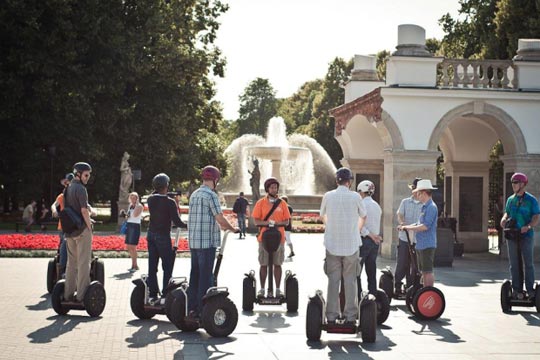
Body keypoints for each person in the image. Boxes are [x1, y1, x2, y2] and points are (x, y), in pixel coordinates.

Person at [187, 165, 238, 319]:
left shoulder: (194, 194)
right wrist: (232, 228)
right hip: (207, 243)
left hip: (194, 243)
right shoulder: (211, 195)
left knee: (194, 276)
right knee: (206, 277)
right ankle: (204, 311)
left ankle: (192, 308)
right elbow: (220, 218)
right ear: (215, 179)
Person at [320, 168, 366, 324]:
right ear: (350, 181)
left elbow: (322, 215)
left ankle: (331, 316)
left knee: (333, 280)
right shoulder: (355, 197)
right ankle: (350, 316)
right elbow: (363, 216)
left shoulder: (328, 196)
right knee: (350, 281)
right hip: (351, 245)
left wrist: (331, 227)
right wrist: (356, 230)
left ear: (336, 180)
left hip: (332, 243)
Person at [146, 173, 187, 305]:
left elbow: (157, 196)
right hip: (163, 236)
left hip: (151, 235)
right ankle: (165, 295)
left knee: (152, 266)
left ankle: (152, 295)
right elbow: (177, 221)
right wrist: (188, 225)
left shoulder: (151, 199)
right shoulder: (170, 202)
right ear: (166, 186)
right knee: (167, 266)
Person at [500, 172, 540, 300]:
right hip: (512, 234)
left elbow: (536, 217)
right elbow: (507, 213)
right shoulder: (511, 200)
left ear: (523, 184)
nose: (513, 185)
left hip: (526, 235)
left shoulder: (531, 200)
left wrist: (528, 226)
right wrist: (503, 219)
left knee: (528, 263)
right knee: (514, 263)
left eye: (516, 182)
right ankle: (517, 289)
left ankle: (530, 290)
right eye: (512, 182)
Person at [252, 177, 291, 298]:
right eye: (272, 187)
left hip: (279, 238)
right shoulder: (261, 203)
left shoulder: (282, 203)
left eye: (276, 187)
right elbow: (256, 220)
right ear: (267, 189)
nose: (274, 189)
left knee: (277, 264)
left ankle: (278, 289)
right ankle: (262, 289)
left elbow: (286, 221)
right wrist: (268, 224)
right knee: (263, 264)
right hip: (264, 238)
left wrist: (276, 224)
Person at [63, 162, 95, 303]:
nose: (87, 178)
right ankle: (82, 296)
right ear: (78, 174)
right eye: (86, 175)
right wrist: (89, 227)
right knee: (84, 263)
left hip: (70, 231)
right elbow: (83, 210)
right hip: (82, 230)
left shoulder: (68, 187)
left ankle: (67, 295)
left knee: (71, 264)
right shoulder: (81, 189)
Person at [398, 179, 438, 288]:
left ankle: (429, 292)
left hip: (427, 244)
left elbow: (425, 226)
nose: (417, 196)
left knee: (428, 271)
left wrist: (408, 228)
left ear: (425, 193)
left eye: (419, 193)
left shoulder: (431, 207)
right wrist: (406, 227)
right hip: (421, 244)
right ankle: (425, 291)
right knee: (423, 271)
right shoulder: (425, 206)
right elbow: (418, 223)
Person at [394, 177, 423, 295]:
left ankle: (412, 286)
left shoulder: (425, 204)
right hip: (405, 237)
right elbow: (400, 214)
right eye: (414, 189)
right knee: (402, 262)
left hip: (419, 239)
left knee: (415, 265)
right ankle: (397, 284)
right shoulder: (405, 202)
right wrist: (402, 223)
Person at [357, 180, 382, 295]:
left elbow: (359, 226)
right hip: (375, 243)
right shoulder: (377, 206)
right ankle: (373, 296)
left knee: (356, 271)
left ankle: (358, 296)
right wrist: (374, 236)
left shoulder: (361, 205)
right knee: (371, 271)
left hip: (364, 241)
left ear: (362, 192)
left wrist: (369, 235)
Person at [51, 173, 75, 276]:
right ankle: (63, 269)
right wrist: (54, 210)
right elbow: (54, 205)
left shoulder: (76, 195)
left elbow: (86, 205)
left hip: (75, 225)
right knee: (64, 245)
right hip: (63, 226)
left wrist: (91, 210)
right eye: (66, 183)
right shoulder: (61, 196)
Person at [120, 192, 143, 272]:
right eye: (131, 198)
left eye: (134, 198)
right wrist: (124, 215)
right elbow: (128, 216)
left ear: (137, 198)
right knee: (128, 246)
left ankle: (134, 265)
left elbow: (135, 215)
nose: (133, 199)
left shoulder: (139, 206)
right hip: (129, 225)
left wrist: (135, 205)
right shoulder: (130, 206)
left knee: (133, 246)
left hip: (135, 226)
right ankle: (134, 265)